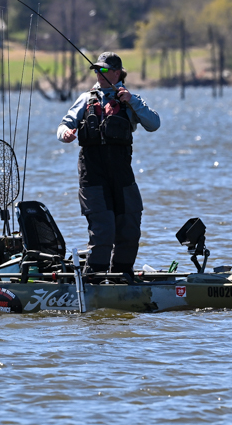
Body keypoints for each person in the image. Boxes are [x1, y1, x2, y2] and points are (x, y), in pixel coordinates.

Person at [57, 52, 160, 274]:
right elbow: (63, 125)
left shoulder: (131, 100)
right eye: (96, 70)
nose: (98, 74)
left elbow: (154, 124)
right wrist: (65, 133)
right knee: (103, 230)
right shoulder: (85, 99)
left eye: (103, 70)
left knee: (129, 229)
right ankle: (94, 279)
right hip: (93, 176)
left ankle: (120, 278)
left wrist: (132, 101)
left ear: (117, 73)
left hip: (122, 176)